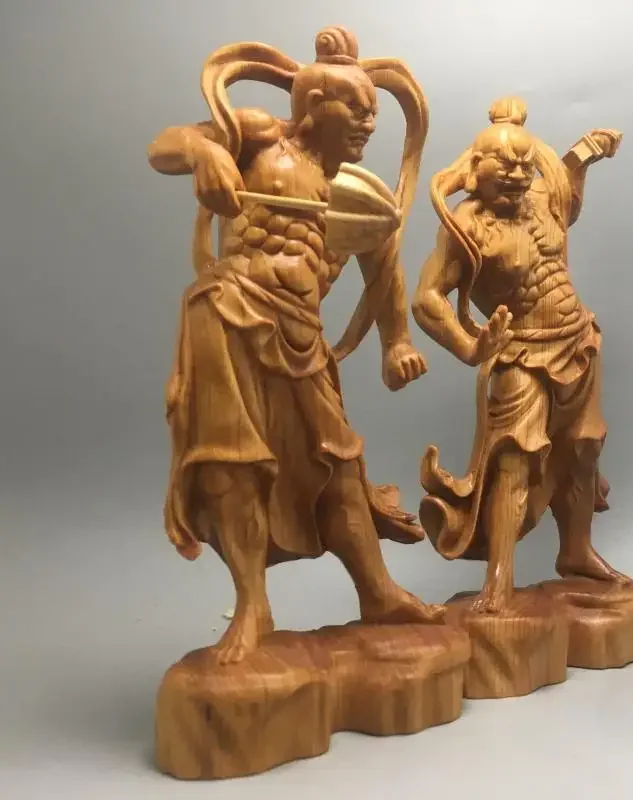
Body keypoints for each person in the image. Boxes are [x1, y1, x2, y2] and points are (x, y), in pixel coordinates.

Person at [148, 27, 443, 664]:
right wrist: (204, 153)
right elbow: (163, 146)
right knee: (235, 462)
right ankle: (252, 605)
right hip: (230, 316)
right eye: (355, 109)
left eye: (373, 111)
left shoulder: (357, 197)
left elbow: (384, 271)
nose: (368, 123)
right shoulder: (261, 135)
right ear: (312, 106)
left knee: (339, 463)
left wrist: (396, 342)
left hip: (302, 335)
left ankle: (379, 592)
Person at [412, 96, 626, 613]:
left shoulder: (539, 199)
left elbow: (568, 200)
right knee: (514, 458)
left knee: (583, 449)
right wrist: (470, 346)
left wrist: (584, 155)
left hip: (578, 339)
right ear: (474, 170)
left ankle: (576, 552)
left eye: (524, 165)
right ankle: (499, 580)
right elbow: (425, 299)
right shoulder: (466, 226)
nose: (516, 175)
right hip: (522, 353)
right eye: (503, 166)